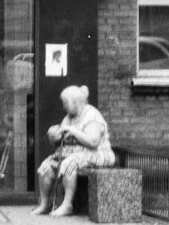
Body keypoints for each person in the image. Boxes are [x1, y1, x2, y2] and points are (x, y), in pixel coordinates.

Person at [33, 85, 115, 217]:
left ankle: (67, 205)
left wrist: (73, 131)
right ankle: (44, 204)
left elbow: (93, 142)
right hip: (75, 153)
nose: (64, 106)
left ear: (76, 102)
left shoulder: (91, 115)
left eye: (66, 103)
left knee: (69, 163)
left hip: (97, 154)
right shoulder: (69, 117)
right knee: (46, 166)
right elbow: (59, 142)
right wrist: (53, 136)